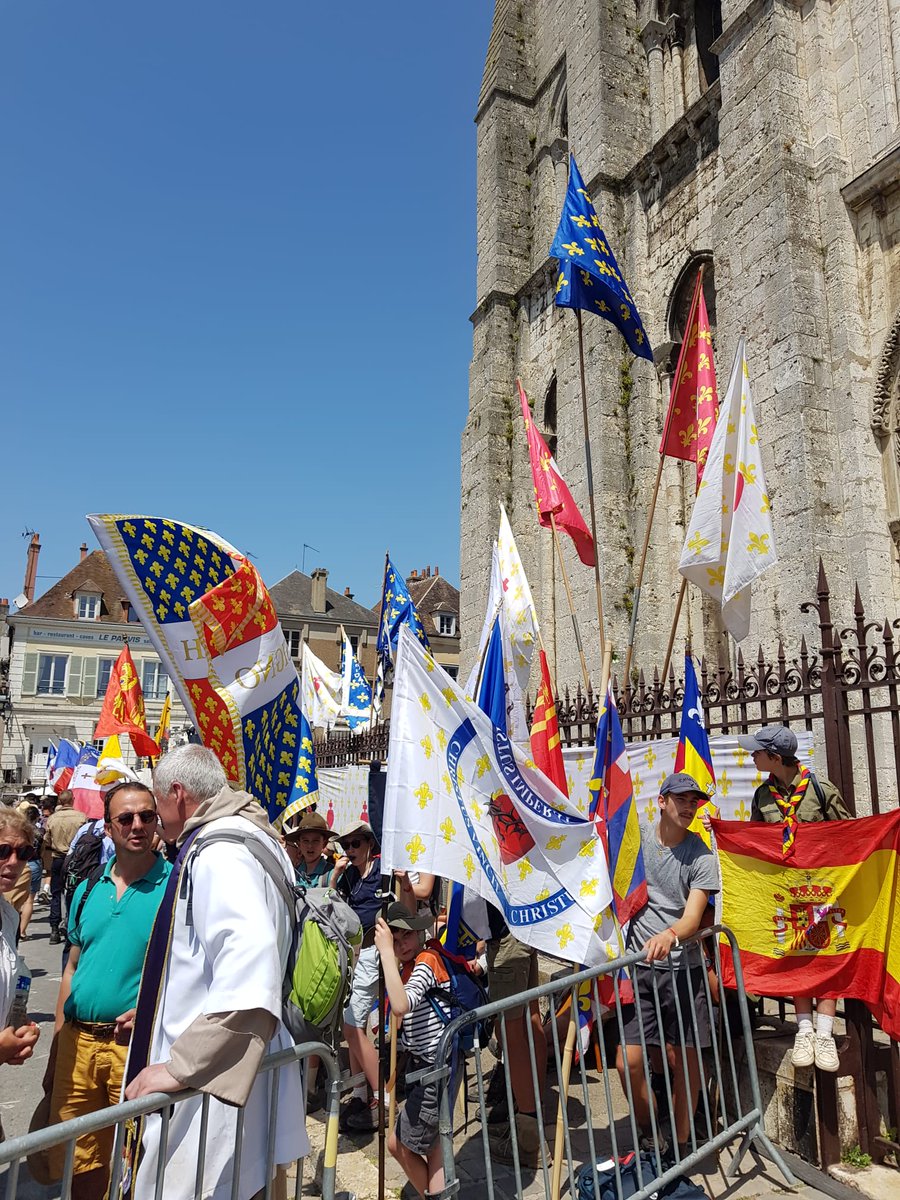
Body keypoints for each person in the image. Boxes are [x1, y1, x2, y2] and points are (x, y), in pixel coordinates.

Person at [124, 745, 308, 1200]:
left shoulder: (219, 850)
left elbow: (252, 953)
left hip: (210, 1092)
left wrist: (186, 1064)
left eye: (157, 802)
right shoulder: (253, 838)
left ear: (179, 794)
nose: (156, 819)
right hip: (236, 1070)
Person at [43, 781, 171, 1200]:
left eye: (147, 816)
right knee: (78, 1163)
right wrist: (57, 1044)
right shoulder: (87, 888)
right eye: (126, 818)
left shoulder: (176, 888)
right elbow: (71, 969)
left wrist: (152, 1011)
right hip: (78, 1044)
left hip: (132, 1048)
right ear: (108, 826)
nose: (138, 826)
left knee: (139, 1160)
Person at [616, 772, 719, 1160]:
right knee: (628, 1062)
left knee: (688, 1062)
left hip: (683, 969)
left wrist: (670, 935)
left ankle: (678, 1145)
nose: (690, 807)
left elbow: (693, 917)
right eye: (682, 799)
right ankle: (647, 1128)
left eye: (695, 801)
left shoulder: (702, 856)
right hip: (637, 970)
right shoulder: (635, 838)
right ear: (662, 801)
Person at [738, 724, 851, 1073]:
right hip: (785, 892)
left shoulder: (819, 789)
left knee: (827, 954)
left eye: (757, 752)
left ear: (775, 757)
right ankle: (804, 1029)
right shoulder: (763, 796)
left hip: (823, 890)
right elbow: (756, 839)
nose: (752, 756)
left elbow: (847, 832)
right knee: (796, 957)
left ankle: (825, 1033)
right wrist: (728, 833)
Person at [374, 903, 456, 1199]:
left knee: (398, 1144)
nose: (401, 944)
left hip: (434, 1069)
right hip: (428, 1065)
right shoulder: (406, 966)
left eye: (405, 936)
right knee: (434, 1148)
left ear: (419, 933)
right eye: (394, 940)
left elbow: (402, 1004)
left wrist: (385, 951)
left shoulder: (426, 962)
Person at [331, 819, 384, 1133]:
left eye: (355, 844)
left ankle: (382, 1098)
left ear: (368, 844)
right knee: (355, 1024)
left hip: (373, 953)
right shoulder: (348, 875)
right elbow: (328, 901)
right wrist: (336, 874)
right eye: (345, 845)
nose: (350, 850)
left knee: (352, 1027)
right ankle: (361, 1093)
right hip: (353, 956)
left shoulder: (381, 872)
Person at [484, 907, 548, 1166]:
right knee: (528, 1023)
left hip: (507, 937)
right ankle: (530, 1117)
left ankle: (529, 1141)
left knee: (510, 1033)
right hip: (520, 929)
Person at [0, 808, 41, 1069]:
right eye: (3, 851)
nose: (14, 861)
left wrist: (16, 1030)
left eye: (24, 853)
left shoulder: (8, 917)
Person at [44, 790, 86, 944]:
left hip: (58, 858)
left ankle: (54, 929)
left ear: (60, 802)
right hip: (75, 859)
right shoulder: (81, 817)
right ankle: (71, 927)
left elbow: (46, 840)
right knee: (74, 892)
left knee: (56, 894)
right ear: (73, 800)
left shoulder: (52, 819)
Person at [282, 810, 335, 887]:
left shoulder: (331, 875)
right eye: (305, 841)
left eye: (315, 841)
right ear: (299, 843)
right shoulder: (293, 874)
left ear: (324, 843)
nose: (310, 846)